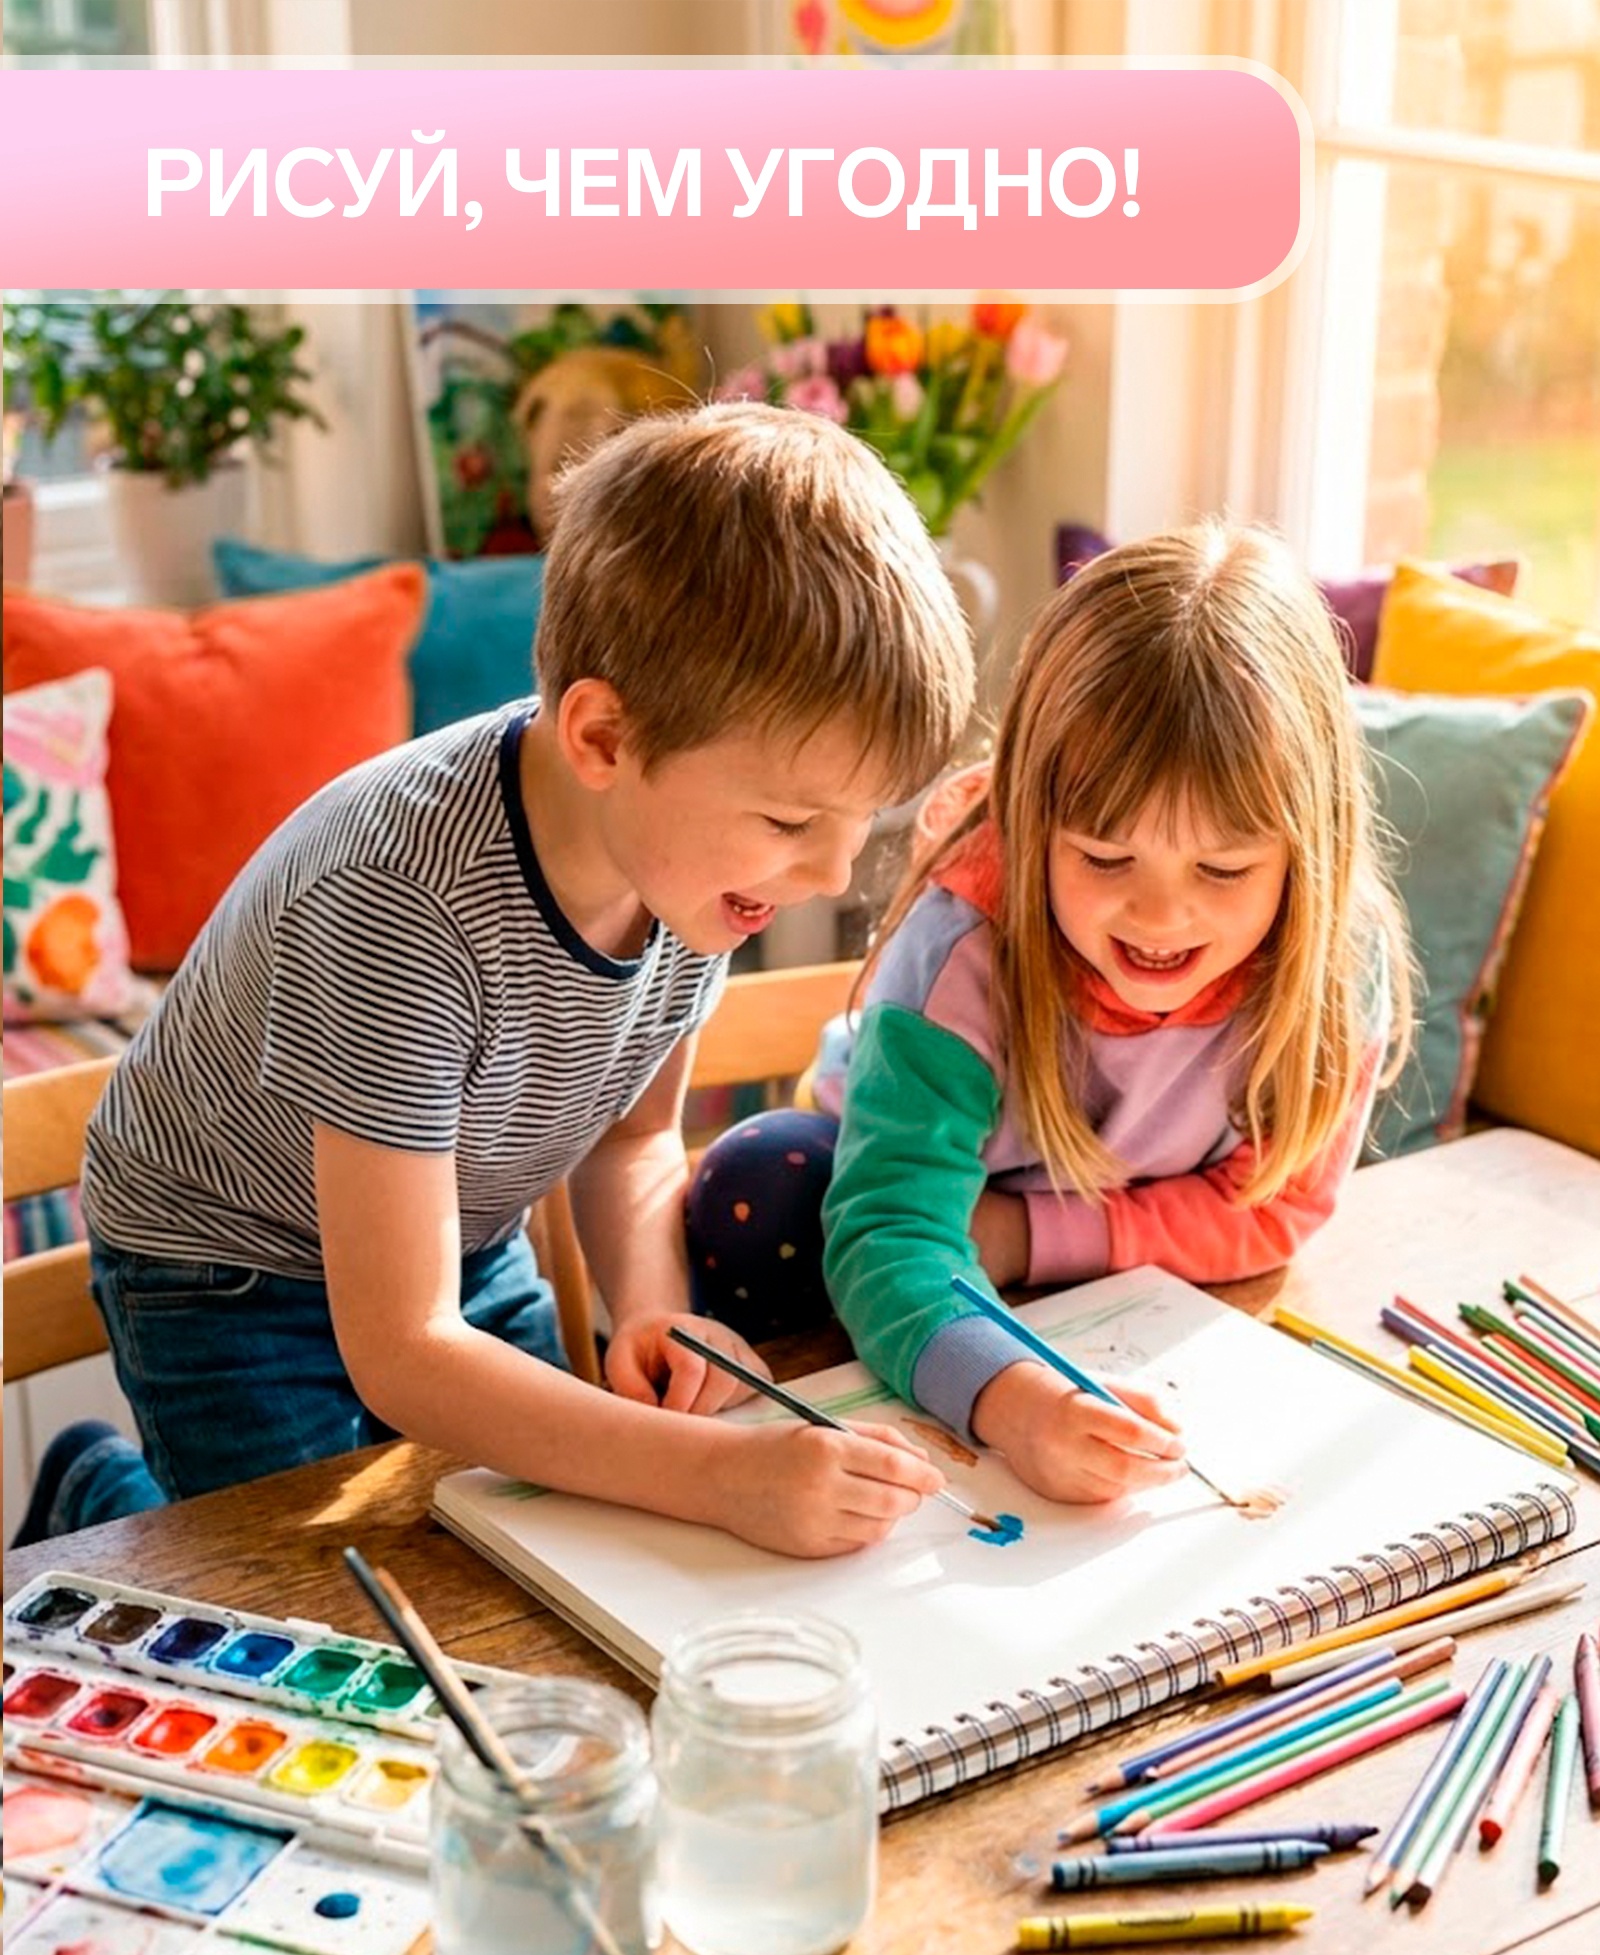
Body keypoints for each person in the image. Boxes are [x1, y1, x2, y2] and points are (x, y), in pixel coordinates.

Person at [46, 403, 974, 1561]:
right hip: (229, 1267)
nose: (832, 872)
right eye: (792, 821)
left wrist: (650, 1305)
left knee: (531, 1543)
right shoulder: (398, 903)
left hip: (454, 1234)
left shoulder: (696, 865)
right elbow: (406, 1352)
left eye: (856, 824)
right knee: (309, 1586)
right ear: (601, 740)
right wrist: (722, 1475)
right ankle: (97, 1499)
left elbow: (632, 1139)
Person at [689, 522, 1413, 1505]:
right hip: (905, 1197)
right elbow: (894, 1233)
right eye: (1104, 859)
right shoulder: (965, 954)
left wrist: (1023, 1237)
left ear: (1308, 851)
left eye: (1223, 868)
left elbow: (1277, 1209)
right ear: (1031, 824)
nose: (1159, 916)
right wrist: (1017, 1404)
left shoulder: (1337, 958)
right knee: (762, 1187)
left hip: (1035, 1236)